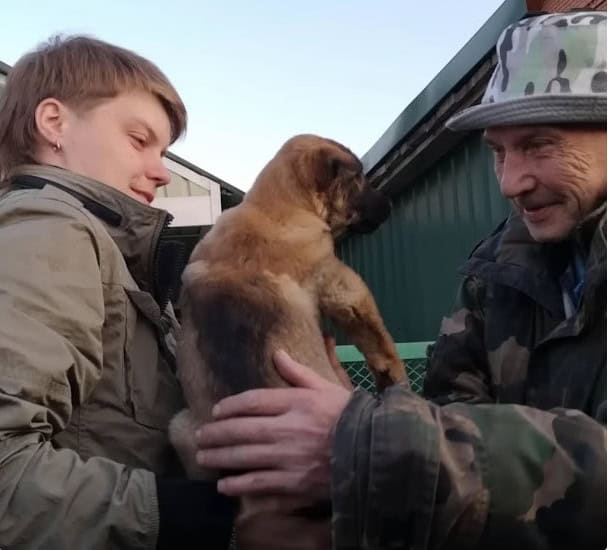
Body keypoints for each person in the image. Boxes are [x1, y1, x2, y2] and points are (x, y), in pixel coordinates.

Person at [195, 10, 607, 549]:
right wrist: (372, 424)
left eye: (540, 144)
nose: (510, 182)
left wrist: (373, 442)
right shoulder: (499, 270)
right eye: (498, 151)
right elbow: (449, 408)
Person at [0, 36, 236, 549]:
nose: (163, 171)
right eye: (138, 139)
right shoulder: (51, 230)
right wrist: (215, 520)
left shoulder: (107, 251)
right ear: (54, 123)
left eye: (164, 151)